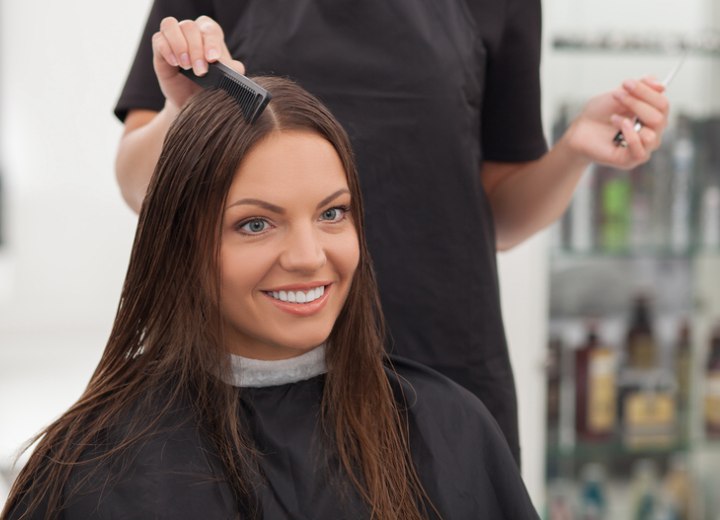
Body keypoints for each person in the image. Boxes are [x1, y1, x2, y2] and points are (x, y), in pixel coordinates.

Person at [113, 2, 671, 464]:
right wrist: (184, 115)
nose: (312, 257)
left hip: (442, 357)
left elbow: (497, 218)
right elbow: (141, 189)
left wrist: (575, 151)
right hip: (248, 377)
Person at [3, 77, 540, 520]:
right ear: (181, 242)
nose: (309, 257)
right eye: (255, 224)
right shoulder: (93, 469)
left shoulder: (450, 432)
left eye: (332, 213)